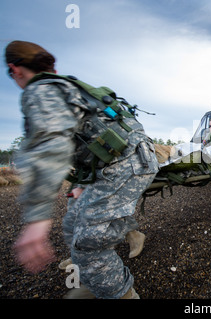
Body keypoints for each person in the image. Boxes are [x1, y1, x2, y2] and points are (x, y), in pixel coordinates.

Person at [6, 40, 159, 299]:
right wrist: (80, 183)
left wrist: (37, 219)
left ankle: (113, 287)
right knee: (73, 219)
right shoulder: (66, 87)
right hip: (117, 162)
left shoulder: (40, 91)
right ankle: (90, 270)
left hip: (124, 164)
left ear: (15, 70)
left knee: (89, 244)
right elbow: (81, 143)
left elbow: (51, 147)